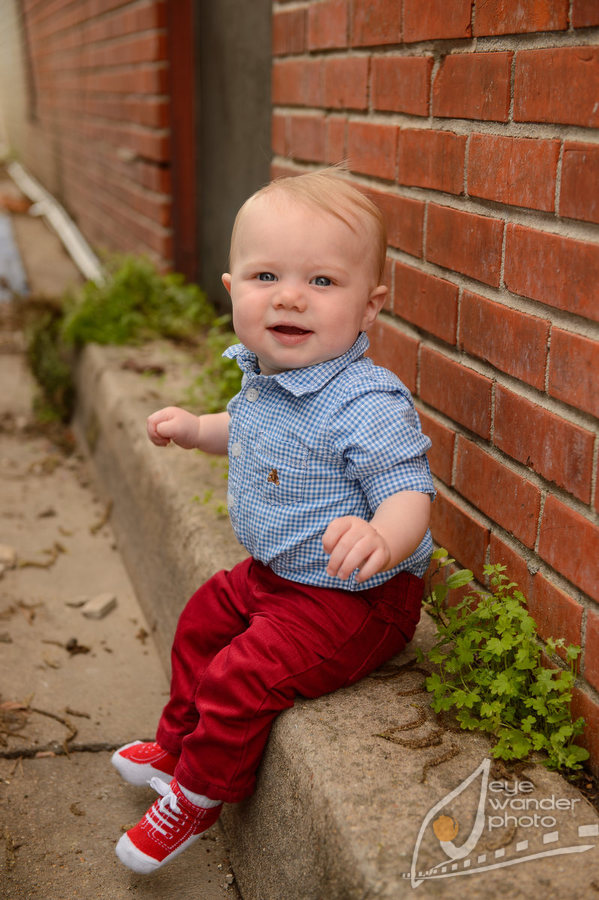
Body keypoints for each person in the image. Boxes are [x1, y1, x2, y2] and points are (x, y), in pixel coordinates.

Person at [111, 169, 435, 874]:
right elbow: (251, 430)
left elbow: (408, 489)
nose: (289, 295)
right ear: (233, 290)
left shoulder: (365, 401)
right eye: (266, 275)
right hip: (277, 576)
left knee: (242, 674)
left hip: (354, 599)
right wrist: (198, 428)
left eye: (321, 282)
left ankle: (197, 799)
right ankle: (176, 744)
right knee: (202, 619)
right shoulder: (267, 377)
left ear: (369, 305)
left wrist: (383, 536)